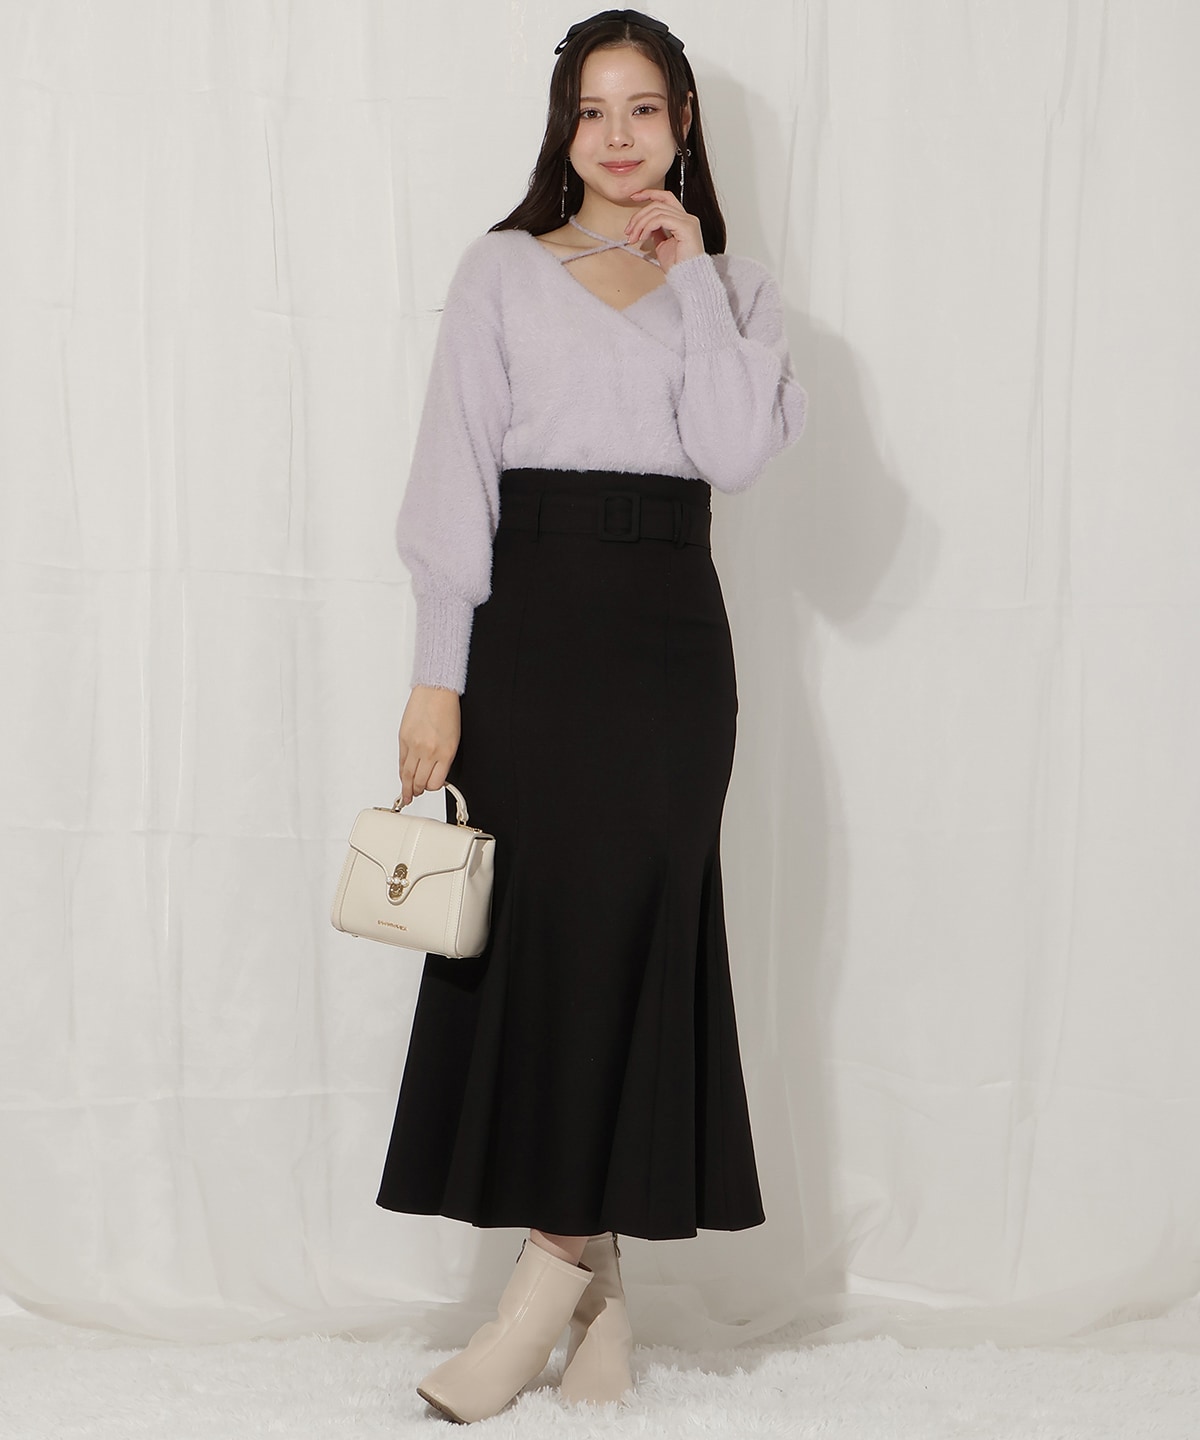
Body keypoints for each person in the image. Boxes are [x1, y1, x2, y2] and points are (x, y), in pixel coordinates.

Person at [377, 7, 808, 1424]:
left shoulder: (735, 292)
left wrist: (692, 281)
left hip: (673, 644)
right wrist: (438, 674)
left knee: (637, 940)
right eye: (593, 110)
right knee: (553, 952)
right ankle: (602, 1296)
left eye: (644, 109)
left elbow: (732, 453)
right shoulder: (501, 269)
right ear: (564, 129)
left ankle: (534, 1300)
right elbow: (453, 478)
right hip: (531, 634)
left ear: (684, 123)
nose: (618, 138)